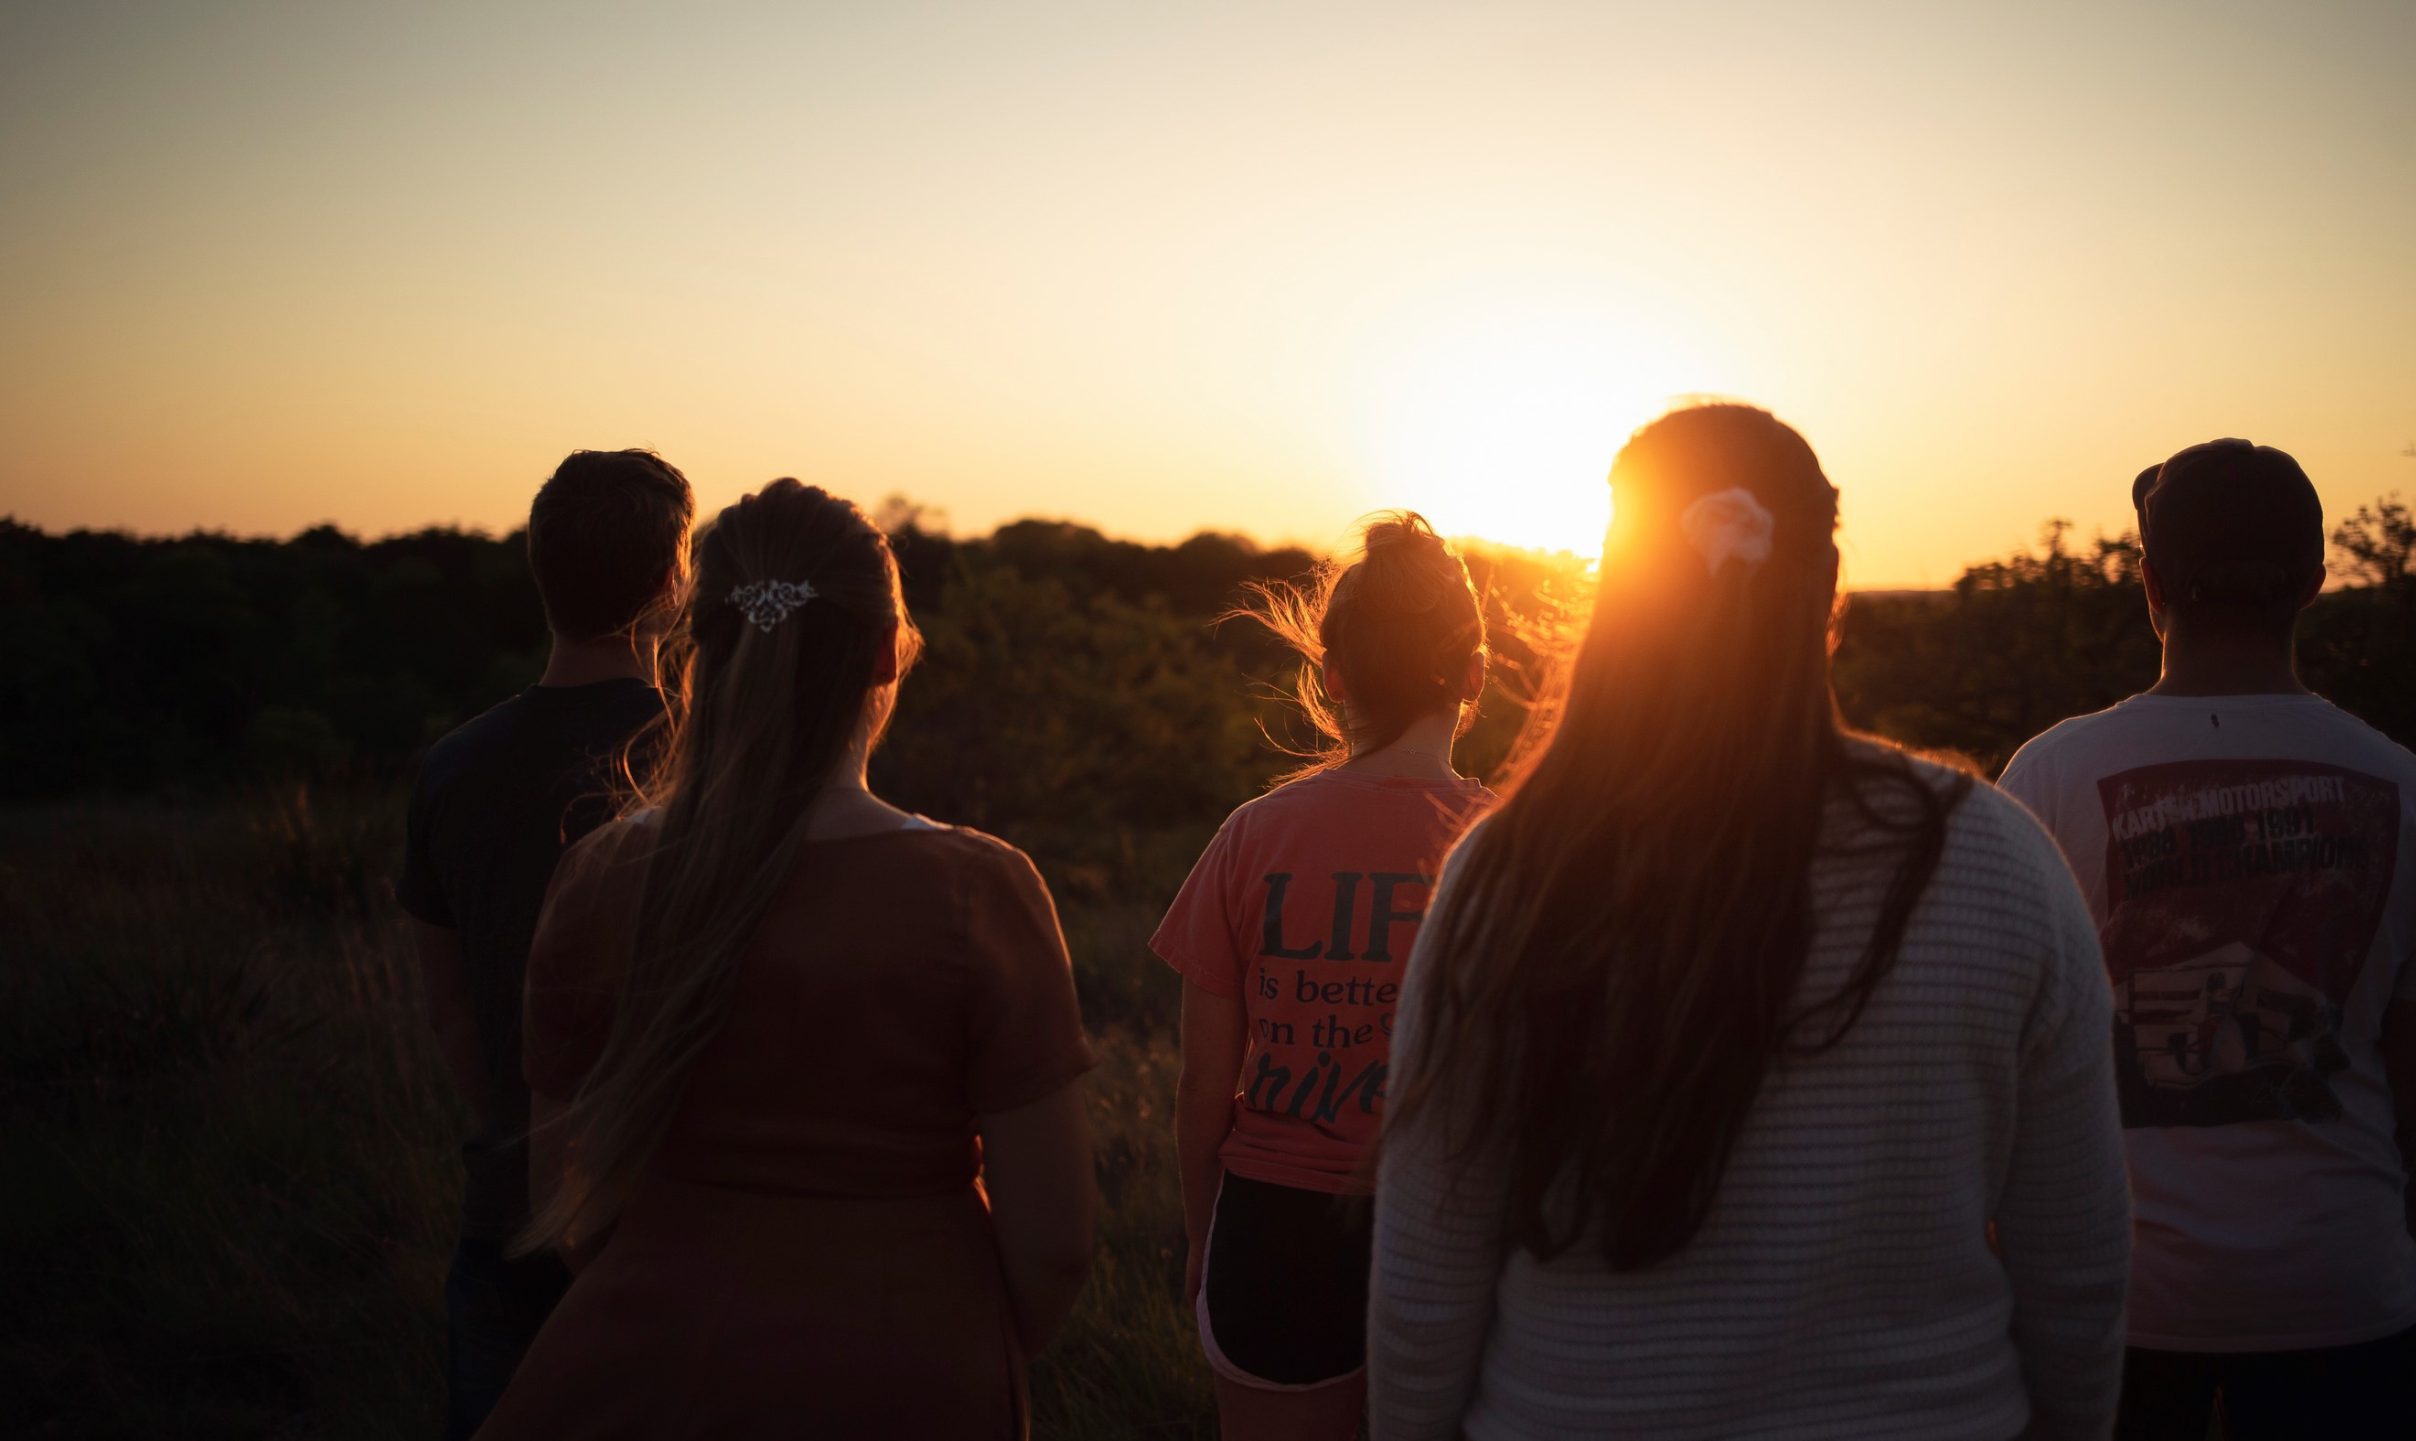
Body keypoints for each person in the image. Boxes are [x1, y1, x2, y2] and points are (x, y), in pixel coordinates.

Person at [1368, 403, 2133, 1440]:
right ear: (1829, 591)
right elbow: (2078, 1263)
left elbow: (1425, 1279)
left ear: (1618, 592)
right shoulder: (1998, 862)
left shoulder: (1510, 873)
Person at [477, 479, 1097, 1440]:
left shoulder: (600, 875)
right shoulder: (979, 891)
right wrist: (965, 1349)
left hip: (643, 1368)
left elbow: (564, 1196)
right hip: (909, 1369)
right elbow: (1054, 1246)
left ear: (700, 649)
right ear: (887, 651)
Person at [1998, 439, 2416, 1441]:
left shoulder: (2047, 779)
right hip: (2347, 1295)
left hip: (2114, 1301)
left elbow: (1999, 1065)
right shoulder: (2412, 793)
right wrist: (2380, 1246)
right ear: (2313, 582)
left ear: (2150, 584)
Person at [1154, 512, 1496, 1441]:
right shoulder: (1512, 850)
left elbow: (1202, 1084)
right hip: (1452, 1225)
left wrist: (1204, 1233)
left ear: (1334, 675)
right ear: (1474, 673)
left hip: (1274, 1234)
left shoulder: (1252, 836)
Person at [397, 447, 693, 1439]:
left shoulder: (452, 767)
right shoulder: (716, 764)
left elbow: (449, 1008)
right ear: (674, 582)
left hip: (509, 1213)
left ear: (539, 570)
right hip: (679, 1222)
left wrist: (523, 1127)